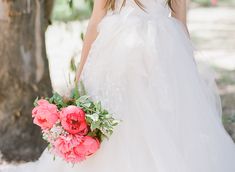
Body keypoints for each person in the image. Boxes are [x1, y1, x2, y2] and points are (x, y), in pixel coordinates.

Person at [2, 0, 235, 172]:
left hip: (164, 55)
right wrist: (79, 78)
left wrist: (188, 72)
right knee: (121, 118)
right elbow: (95, 22)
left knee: (163, 119)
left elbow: (181, 22)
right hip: (118, 55)